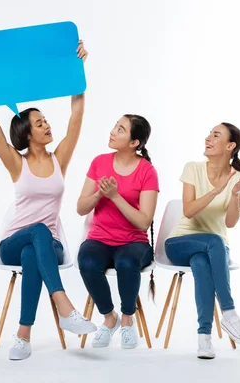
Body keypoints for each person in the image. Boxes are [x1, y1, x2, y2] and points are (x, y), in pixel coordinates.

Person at [0, 40, 96, 361]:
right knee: (36, 233)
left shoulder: (59, 159)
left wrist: (78, 69)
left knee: (36, 252)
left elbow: (77, 113)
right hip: (13, 240)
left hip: (47, 244)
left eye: (46, 120)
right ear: (26, 132)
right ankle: (64, 305)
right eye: (39, 123)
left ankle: (23, 336)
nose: (47, 125)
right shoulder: (15, 162)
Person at [165, 122, 240, 359]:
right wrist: (217, 190)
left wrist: (234, 195)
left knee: (202, 263)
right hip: (180, 243)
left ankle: (204, 339)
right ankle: (229, 313)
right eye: (209, 134)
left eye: (216, 135)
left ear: (230, 146)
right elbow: (189, 211)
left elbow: (230, 223)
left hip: (212, 249)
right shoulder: (193, 168)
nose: (208, 138)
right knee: (214, 242)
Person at [76, 114, 159, 349]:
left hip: (134, 241)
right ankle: (109, 318)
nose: (113, 131)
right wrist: (99, 195)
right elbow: (81, 208)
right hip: (100, 238)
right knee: (88, 262)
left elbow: (143, 222)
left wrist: (115, 196)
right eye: (115, 126)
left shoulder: (147, 171)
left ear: (134, 143)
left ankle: (126, 320)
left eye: (120, 129)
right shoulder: (99, 162)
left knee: (126, 263)